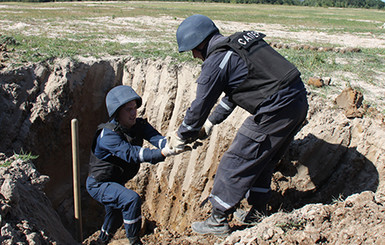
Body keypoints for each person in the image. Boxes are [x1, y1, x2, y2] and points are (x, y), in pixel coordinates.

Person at [168, 14, 309, 235]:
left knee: (236, 160)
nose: (195, 56)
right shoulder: (239, 43)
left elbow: (199, 106)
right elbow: (236, 92)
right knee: (264, 158)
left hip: (276, 108)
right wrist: (211, 123)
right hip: (298, 99)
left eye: (193, 50)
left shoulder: (216, 61)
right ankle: (258, 211)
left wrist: (182, 135)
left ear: (201, 43)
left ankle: (217, 220)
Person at [86, 85, 178, 245]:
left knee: (114, 216)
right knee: (130, 199)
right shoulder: (107, 136)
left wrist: (176, 141)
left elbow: (158, 140)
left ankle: (101, 242)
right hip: (99, 184)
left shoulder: (138, 126)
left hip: (114, 182)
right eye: (128, 109)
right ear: (117, 112)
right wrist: (163, 153)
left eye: (134, 108)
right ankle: (134, 241)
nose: (134, 112)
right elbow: (131, 153)